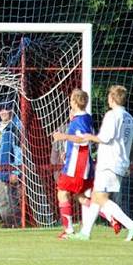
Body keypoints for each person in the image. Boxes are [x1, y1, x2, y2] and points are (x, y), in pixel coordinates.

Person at [69, 85, 133, 241]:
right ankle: (85, 233)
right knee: (96, 196)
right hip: (121, 162)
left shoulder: (112, 115)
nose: (108, 99)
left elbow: (105, 138)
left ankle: (131, 225)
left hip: (109, 162)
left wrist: (88, 136)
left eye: (109, 96)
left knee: (101, 198)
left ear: (113, 99)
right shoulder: (128, 116)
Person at [51, 89, 96, 239]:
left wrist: (62, 136)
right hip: (79, 163)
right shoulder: (85, 118)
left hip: (77, 165)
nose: (69, 102)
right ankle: (111, 215)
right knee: (79, 196)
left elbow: (83, 139)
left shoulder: (80, 120)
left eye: (71, 100)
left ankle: (69, 230)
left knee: (62, 192)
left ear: (75, 102)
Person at [0, 100, 22, 228]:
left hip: (9, 169)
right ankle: (7, 224)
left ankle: (15, 225)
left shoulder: (16, 126)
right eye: (0, 109)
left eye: (5, 109)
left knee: (11, 199)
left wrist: (15, 171)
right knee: (2, 200)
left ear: (11, 110)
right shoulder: (0, 125)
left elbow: (19, 150)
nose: (2, 112)